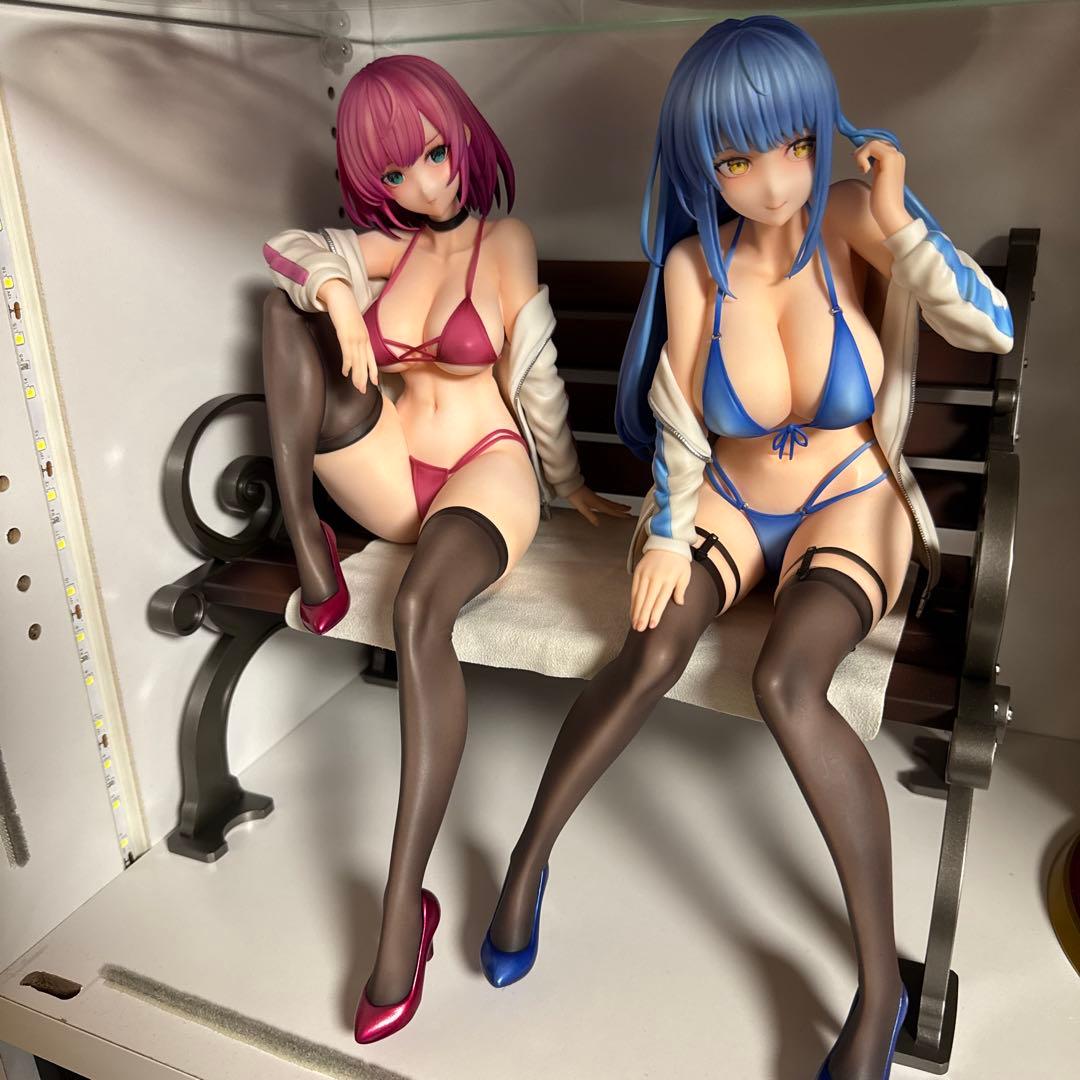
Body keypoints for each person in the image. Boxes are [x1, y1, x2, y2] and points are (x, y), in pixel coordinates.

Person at [481, 18, 1012, 1080]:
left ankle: (880, 985)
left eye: (796, 145)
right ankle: (528, 861)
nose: (773, 182)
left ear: (821, 134)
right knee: (649, 648)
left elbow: (988, 327)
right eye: (736, 160)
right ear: (700, 164)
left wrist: (901, 220)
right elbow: (684, 416)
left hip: (846, 502)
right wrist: (666, 534)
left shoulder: (854, 220)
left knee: (787, 683)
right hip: (727, 500)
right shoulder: (695, 264)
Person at [261, 54, 628, 1043]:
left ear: (464, 132)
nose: (426, 183)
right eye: (397, 172)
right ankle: (305, 532)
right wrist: (339, 295)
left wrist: (570, 485)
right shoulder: (391, 249)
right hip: (387, 474)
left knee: (419, 609)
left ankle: (402, 908)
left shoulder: (504, 241)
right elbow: (287, 251)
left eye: (434, 152)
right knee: (282, 311)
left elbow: (536, 375)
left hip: (483, 470)